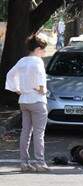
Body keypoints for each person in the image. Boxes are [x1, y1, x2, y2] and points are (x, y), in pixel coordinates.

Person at [5, 35, 49, 172]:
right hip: (37, 101)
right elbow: (41, 85)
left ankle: (24, 162)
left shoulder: (22, 61)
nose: (44, 53)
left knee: (25, 132)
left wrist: (18, 89)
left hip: (24, 101)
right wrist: (40, 88)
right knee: (39, 133)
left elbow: (10, 75)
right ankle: (39, 162)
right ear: (37, 49)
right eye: (43, 50)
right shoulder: (38, 62)